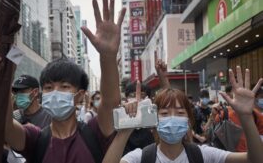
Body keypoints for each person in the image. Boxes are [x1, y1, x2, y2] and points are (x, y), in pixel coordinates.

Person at [0, 0, 126, 162]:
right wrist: (4, 72)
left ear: (80, 95)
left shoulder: (95, 132)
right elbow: (6, 125)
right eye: (49, 88)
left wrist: (108, 57)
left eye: (65, 86)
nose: (55, 93)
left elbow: (110, 102)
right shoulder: (35, 139)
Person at [103, 66, 263, 163]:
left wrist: (246, 117)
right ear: (154, 120)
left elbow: (255, 160)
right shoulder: (141, 158)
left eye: (180, 112)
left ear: (188, 120)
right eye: (164, 113)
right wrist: (124, 132)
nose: (172, 118)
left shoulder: (203, 154)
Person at [204, 83, 263, 152]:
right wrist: (212, 116)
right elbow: (207, 135)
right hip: (229, 156)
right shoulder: (224, 114)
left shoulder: (256, 115)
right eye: (236, 92)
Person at [122, 81, 155, 155]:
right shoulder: (121, 122)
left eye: (143, 96)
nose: (136, 100)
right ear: (126, 99)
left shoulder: (153, 123)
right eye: (132, 95)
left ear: (148, 99)